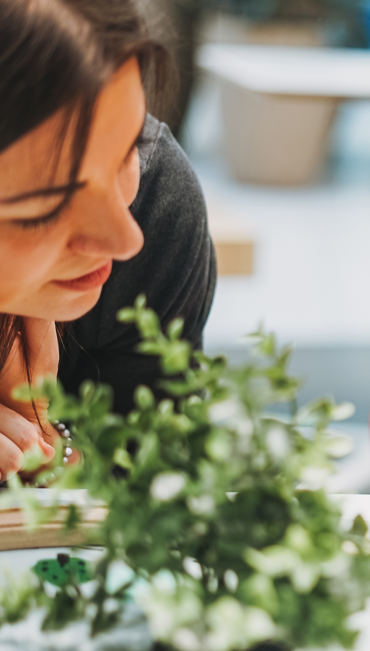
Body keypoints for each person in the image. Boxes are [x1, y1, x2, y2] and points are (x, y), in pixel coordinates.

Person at [0, 0, 216, 480]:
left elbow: (154, 494)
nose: (125, 239)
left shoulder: (156, 211)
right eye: (48, 207)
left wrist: (53, 459)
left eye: (123, 155)